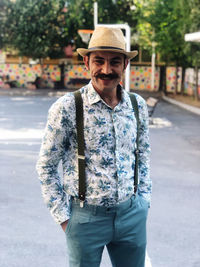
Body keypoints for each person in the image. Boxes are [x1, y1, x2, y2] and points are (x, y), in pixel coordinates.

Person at [36, 26, 152, 267]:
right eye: (99, 61)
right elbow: (46, 167)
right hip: (85, 218)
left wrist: (143, 201)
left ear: (125, 65)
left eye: (115, 62)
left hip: (132, 214)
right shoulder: (67, 107)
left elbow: (143, 156)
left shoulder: (137, 105)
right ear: (86, 62)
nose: (107, 70)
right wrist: (65, 219)